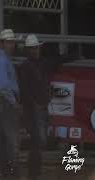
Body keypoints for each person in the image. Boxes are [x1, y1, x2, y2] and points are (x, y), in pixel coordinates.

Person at [19, 34, 76, 180]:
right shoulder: (27, 66)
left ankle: (34, 172)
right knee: (39, 140)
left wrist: (73, 56)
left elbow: (57, 60)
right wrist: (34, 104)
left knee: (38, 141)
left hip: (39, 107)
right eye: (32, 49)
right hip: (34, 108)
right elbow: (25, 90)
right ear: (28, 50)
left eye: (36, 48)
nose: (35, 51)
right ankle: (33, 173)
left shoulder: (40, 63)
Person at [0, 29, 21, 178]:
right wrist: (14, 102)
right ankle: (10, 170)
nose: (11, 45)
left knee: (1, 137)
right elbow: (3, 86)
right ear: (2, 44)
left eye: (12, 42)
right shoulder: (2, 60)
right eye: (9, 42)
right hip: (4, 101)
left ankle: (2, 171)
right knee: (10, 137)